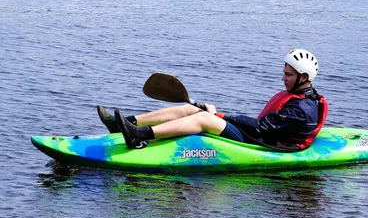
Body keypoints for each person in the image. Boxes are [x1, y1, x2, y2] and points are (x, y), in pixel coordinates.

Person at [97, 49, 328, 151]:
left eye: (288, 75)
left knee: (204, 120)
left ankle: (139, 135)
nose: (283, 78)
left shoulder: (303, 110)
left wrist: (219, 116)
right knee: (191, 108)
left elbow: (260, 128)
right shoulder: (297, 98)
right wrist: (218, 114)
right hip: (259, 135)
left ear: (303, 77)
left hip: (264, 146)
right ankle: (124, 123)